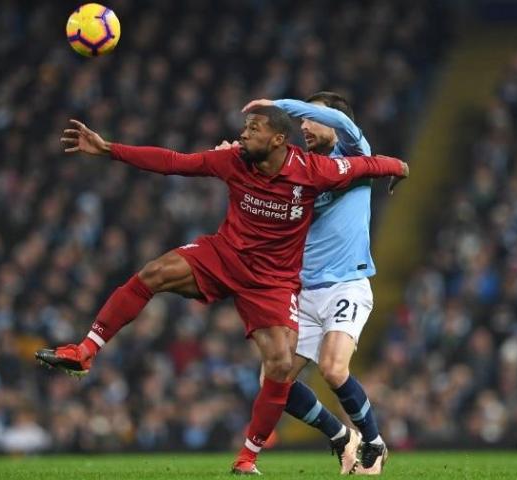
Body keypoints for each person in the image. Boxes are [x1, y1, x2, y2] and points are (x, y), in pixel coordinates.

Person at [36, 106, 407, 475]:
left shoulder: (312, 171)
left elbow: (368, 165)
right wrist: (108, 149)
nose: (244, 135)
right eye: (244, 129)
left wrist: (400, 167)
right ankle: (86, 350)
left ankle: (248, 457)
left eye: (254, 129)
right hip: (223, 256)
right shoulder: (232, 160)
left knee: (278, 366)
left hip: (271, 283)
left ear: (278, 139)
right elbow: (173, 161)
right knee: (155, 272)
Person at [239, 93, 390, 474]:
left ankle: (374, 442)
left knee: (333, 369)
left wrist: (280, 105)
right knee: (274, 381)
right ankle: (341, 436)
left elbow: (346, 126)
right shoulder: (299, 168)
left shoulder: (356, 153)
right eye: (300, 121)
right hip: (303, 290)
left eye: (311, 119)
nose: (302, 126)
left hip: (347, 283)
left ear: (334, 122)